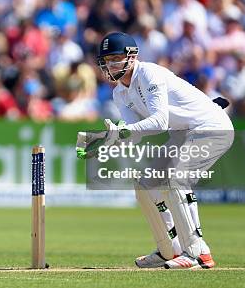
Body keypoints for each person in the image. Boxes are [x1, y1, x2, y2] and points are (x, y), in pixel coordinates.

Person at [91, 32, 233, 269]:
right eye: (106, 60)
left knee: (177, 179)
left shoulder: (149, 74)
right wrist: (109, 139)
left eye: (115, 58)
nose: (110, 65)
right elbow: (135, 135)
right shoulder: (119, 92)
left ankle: (197, 253)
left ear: (132, 56)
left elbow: (158, 122)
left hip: (211, 127)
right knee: (146, 184)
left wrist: (122, 132)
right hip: (183, 132)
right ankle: (170, 250)